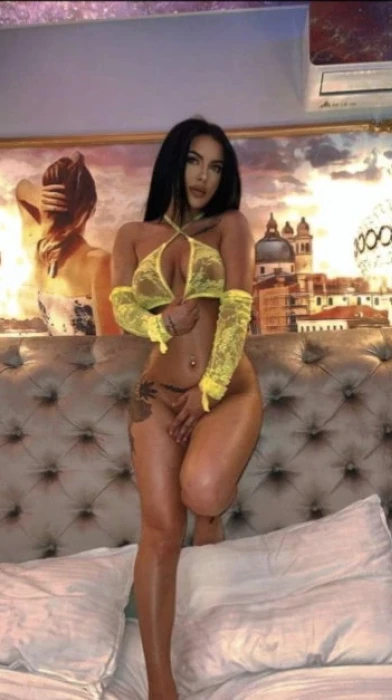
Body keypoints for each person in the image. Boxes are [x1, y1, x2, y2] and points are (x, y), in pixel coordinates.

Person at [110, 117, 263, 700]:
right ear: (173, 162)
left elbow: (238, 311)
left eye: (216, 166)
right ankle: (160, 684)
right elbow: (123, 307)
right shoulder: (131, 234)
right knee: (159, 530)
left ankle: (212, 512)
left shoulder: (230, 226)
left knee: (201, 491)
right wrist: (159, 324)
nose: (204, 176)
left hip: (225, 388)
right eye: (195, 161)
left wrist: (210, 390)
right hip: (157, 392)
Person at [15, 152, 120, 335]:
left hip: (47, 354)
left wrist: (36, 194)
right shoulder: (98, 262)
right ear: (89, 207)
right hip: (89, 356)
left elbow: (21, 189)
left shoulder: (39, 251)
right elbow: (109, 345)